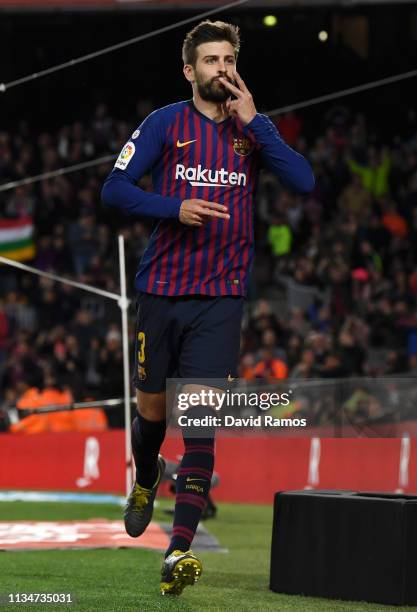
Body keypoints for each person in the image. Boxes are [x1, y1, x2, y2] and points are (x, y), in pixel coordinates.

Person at [101, 19, 314, 596]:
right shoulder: (165, 123)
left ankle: (177, 553)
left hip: (221, 299)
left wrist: (257, 121)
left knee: (200, 422)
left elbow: (304, 181)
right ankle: (146, 477)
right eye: (210, 61)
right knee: (151, 415)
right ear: (189, 70)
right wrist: (175, 208)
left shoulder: (253, 133)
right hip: (162, 291)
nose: (221, 69)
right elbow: (114, 189)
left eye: (228, 60)